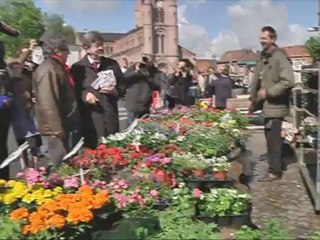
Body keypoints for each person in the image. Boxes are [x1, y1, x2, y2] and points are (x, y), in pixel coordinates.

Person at [250, 26, 294, 182]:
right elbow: (258, 79)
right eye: (261, 38)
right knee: (271, 138)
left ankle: (274, 172)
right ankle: (279, 164)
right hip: (267, 105)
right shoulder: (263, 56)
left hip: (276, 105)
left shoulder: (279, 57)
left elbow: (288, 81)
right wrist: (253, 99)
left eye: (264, 38)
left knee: (273, 141)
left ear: (273, 39)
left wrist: (268, 92)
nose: (261, 40)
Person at [33, 31, 80, 170]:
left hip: (64, 125)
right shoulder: (48, 69)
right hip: (57, 130)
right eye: (66, 51)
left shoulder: (56, 67)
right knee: (59, 166)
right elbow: (48, 102)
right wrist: (57, 130)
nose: (69, 54)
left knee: (66, 164)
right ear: (58, 51)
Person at [71, 31, 126, 149]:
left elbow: (123, 86)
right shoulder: (78, 67)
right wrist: (85, 95)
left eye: (102, 44)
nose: (101, 48)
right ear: (86, 48)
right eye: (98, 46)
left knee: (113, 149)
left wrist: (115, 91)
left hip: (110, 115)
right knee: (93, 151)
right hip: (91, 117)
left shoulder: (112, 64)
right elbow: (74, 91)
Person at [7, 60, 41, 169]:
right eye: (15, 68)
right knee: (22, 142)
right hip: (17, 114)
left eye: (19, 68)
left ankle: (35, 167)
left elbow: (32, 92)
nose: (18, 70)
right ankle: (25, 167)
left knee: (34, 141)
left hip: (29, 112)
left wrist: (32, 98)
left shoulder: (26, 80)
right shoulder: (8, 82)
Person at [125, 61, 160, 126]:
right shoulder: (132, 73)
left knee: (144, 125)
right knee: (131, 125)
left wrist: (149, 71)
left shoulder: (150, 75)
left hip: (146, 103)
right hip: (133, 102)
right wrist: (136, 71)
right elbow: (125, 78)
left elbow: (156, 86)